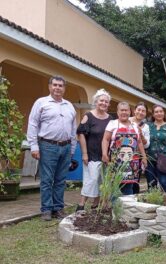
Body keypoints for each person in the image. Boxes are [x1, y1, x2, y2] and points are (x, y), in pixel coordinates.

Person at [27, 75, 77, 221]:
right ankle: (46, 210)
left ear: (64, 88)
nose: (57, 88)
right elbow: (33, 124)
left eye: (60, 85)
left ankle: (58, 208)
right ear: (50, 87)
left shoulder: (69, 106)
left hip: (66, 147)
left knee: (61, 180)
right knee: (47, 180)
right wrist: (34, 146)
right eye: (55, 85)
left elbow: (73, 129)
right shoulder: (41, 103)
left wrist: (72, 149)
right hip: (47, 146)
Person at [76, 89, 113, 212]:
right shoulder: (89, 116)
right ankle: (81, 204)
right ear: (96, 101)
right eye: (101, 100)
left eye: (106, 102)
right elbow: (81, 134)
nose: (104, 103)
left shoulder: (110, 119)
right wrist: (84, 153)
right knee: (91, 179)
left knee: (101, 180)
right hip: (91, 154)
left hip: (106, 155)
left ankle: (95, 204)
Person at [102, 102, 147, 195]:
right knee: (114, 187)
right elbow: (105, 140)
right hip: (115, 162)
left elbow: (139, 142)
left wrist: (144, 157)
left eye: (126, 110)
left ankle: (127, 207)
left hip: (131, 163)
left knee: (129, 188)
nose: (124, 112)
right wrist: (104, 154)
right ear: (117, 112)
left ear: (130, 112)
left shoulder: (134, 126)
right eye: (121, 110)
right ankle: (116, 208)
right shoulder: (112, 123)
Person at [146, 105, 166, 192]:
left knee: (165, 183)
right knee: (151, 184)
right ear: (153, 114)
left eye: (161, 111)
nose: (159, 113)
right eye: (156, 112)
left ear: (164, 113)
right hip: (150, 159)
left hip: (165, 159)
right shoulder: (148, 126)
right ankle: (152, 203)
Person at [129, 102, 150, 190]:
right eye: (139, 110)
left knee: (135, 181)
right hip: (123, 154)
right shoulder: (127, 120)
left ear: (145, 114)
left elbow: (147, 145)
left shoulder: (146, 127)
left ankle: (134, 200)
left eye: (143, 111)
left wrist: (141, 134)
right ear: (134, 111)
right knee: (122, 179)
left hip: (137, 156)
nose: (140, 112)